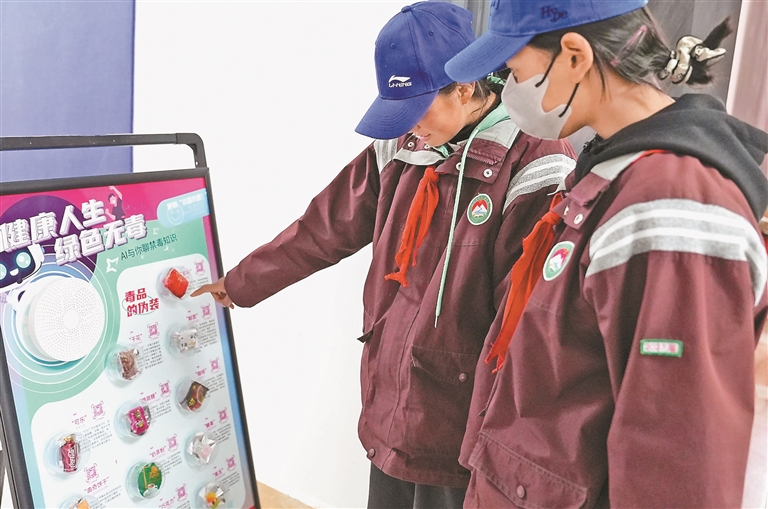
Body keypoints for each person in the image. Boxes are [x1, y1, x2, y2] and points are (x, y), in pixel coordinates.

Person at [191, 2, 575, 508]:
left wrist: (500, 451)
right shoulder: (400, 147)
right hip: (390, 406)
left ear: (464, 88)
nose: (408, 127)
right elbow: (323, 228)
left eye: (418, 108)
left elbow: (521, 327)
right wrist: (241, 282)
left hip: (462, 427)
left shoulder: (536, 165)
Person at [444, 0, 768, 507]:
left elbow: (676, 461)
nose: (508, 90)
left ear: (574, 56)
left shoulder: (671, 209)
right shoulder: (609, 172)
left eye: (515, 71)